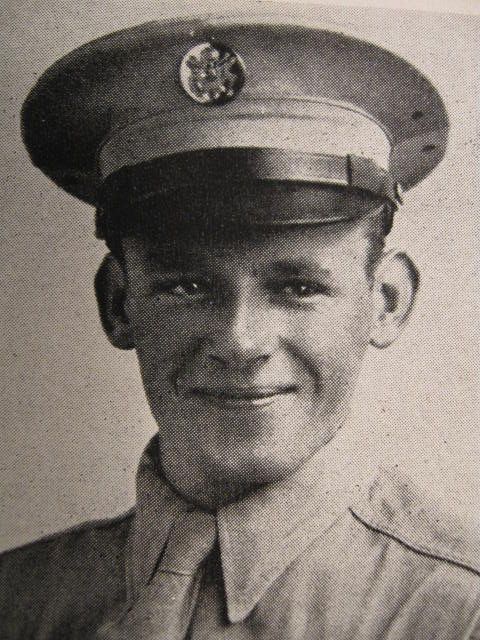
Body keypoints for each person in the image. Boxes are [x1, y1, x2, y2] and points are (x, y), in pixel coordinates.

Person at [1, 12, 479, 640]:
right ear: (119, 304)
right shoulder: (18, 602)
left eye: (299, 287)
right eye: (186, 287)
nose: (239, 341)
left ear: (386, 301)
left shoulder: (457, 613)